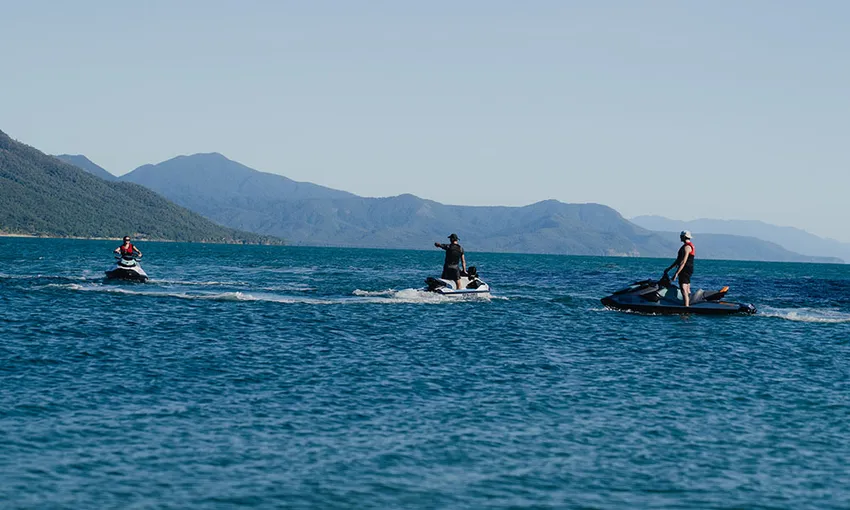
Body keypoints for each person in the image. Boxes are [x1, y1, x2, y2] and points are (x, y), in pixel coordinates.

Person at [665, 230, 695, 306]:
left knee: (684, 288)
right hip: (688, 269)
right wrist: (669, 268)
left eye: (681, 236)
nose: (680, 237)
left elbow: (683, 262)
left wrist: (676, 274)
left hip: (685, 269)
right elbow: (678, 260)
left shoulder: (687, 247)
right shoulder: (686, 246)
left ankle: (686, 307)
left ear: (684, 237)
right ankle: (688, 303)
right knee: (687, 287)